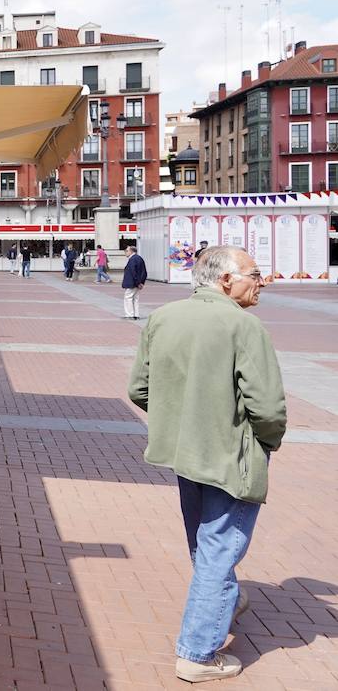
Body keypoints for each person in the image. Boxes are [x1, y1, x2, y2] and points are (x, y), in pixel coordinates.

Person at [128, 246, 286, 683]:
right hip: (228, 455)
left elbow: (140, 388)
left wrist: (176, 419)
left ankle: (223, 600)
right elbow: (268, 408)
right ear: (225, 280)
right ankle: (197, 652)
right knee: (219, 549)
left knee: (204, 542)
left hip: (183, 451)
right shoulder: (243, 326)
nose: (261, 281)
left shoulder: (163, 317)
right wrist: (265, 443)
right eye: (254, 273)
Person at [122, 245, 147, 319]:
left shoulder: (132, 259)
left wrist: (138, 283)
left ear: (131, 251)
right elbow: (144, 272)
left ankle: (129, 314)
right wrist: (141, 282)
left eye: (126, 251)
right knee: (135, 299)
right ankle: (136, 314)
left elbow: (133, 272)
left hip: (132, 283)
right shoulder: (139, 258)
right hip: (137, 283)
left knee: (128, 298)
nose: (125, 253)